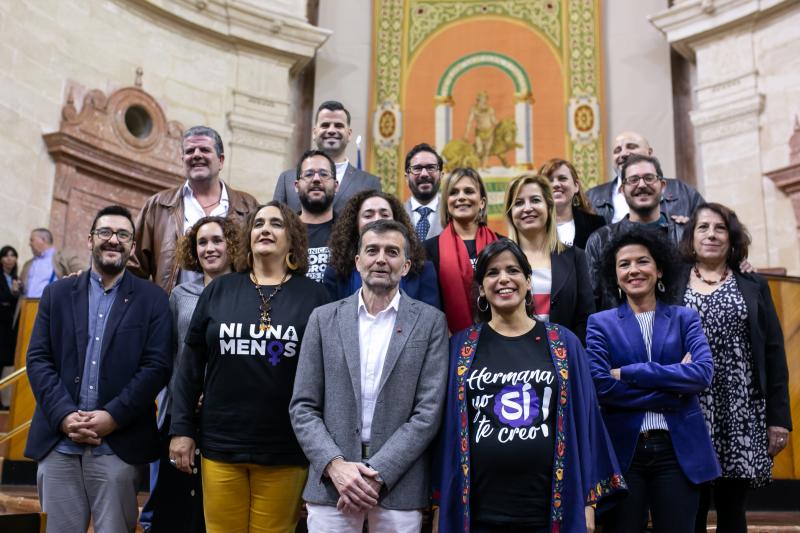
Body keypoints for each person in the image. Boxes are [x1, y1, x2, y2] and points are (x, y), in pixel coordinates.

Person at [433, 239, 625, 533]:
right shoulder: (460, 347)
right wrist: (439, 505)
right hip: (479, 513)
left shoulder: (563, 343)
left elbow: (587, 420)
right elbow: (446, 431)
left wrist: (588, 502)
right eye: (492, 273)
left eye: (513, 270)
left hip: (549, 512)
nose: (504, 279)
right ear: (482, 288)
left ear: (527, 281)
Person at [169, 202, 330, 533]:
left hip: (286, 449)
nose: (265, 229)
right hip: (220, 444)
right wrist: (182, 430)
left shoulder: (315, 297)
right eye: (258, 223)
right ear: (248, 236)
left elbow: (327, 378)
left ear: (293, 238)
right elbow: (190, 366)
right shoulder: (220, 290)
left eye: (276, 224)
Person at [290, 219, 448, 533]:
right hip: (332, 485)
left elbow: (427, 414)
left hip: (397, 486)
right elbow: (303, 408)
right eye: (372, 250)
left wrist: (375, 474)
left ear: (405, 266)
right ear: (357, 261)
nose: (380, 259)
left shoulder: (431, 323)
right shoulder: (323, 319)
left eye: (392, 252)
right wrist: (336, 467)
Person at [25, 205, 172, 533]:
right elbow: (38, 360)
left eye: (123, 235)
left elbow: (156, 367)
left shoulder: (153, 300)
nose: (113, 240)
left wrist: (112, 417)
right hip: (59, 445)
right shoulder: (57, 294)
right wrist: (64, 415)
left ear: (132, 248)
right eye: (105, 232)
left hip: (118, 447)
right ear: (90, 240)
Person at [586, 227, 720, 533]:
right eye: (624, 264)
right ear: (615, 274)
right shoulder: (600, 324)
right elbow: (602, 387)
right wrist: (674, 389)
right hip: (624, 455)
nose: (633, 270)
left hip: (677, 451)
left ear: (659, 270)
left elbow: (701, 374)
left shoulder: (685, 318)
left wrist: (631, 373)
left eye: (642, 261)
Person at [676, 203, 792, 533]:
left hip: (740, 409)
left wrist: (778, 420)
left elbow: (774, 353)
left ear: (732, 237)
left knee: (732, 507)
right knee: (691, 505)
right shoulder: (672, 283)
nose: (711, 234)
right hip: (689, 407)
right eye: (703, 227)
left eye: (720, 228)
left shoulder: (753, 284)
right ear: (691, 237)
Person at [144, 216, 240, 533]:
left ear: (233, 245)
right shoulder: (181, 294)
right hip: (183, 415)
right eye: (202, 242)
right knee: (175, 508)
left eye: (217, 240)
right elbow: (171, 356)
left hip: (227, 416)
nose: (209, 248)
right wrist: (183, 398)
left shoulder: (247, 291)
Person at [129, 125, 259, 293]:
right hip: (174, 311)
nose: (197, 155)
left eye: (204, 149)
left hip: (232, 310)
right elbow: (134, 267)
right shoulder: (158, 206)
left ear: (221, 160)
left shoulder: (248, 206)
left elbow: (261, 263)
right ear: (182, 160)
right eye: (190, 151)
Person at [585, 154, 685, 310]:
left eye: (649, 178)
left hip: (679, 330)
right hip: (619, 332)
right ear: (623, 190)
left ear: (663, 185)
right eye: (633, 180)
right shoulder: (601, 239)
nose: (642, 185)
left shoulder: (685, 234)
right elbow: (592, 300)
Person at [503, 173, 595, 342]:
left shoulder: (576, 257)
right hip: (513, 361)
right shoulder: (500, 260)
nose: (527, 208)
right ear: (510, 213)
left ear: (549, 207)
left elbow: (586, 318)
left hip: (564, 358)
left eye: (536, 200)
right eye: (518, 203)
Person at [324, 190, 439, 307]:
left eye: (385, 215)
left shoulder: (423, 269)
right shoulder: (336, 271)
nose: (378, 220)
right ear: (356, 223)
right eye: (368, 215)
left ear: (396, 221)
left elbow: (430, 320)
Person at [424, 167, 499, 333]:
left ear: (482, 202)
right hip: (449, 345)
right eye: (454, 192)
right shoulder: (427, 250)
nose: (461, 197)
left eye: (469, 191)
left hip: (500, 341)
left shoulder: (502, 244)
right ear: (447, 202)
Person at [273, 101, 381, 214]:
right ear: (314, 133)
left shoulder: (369, 183)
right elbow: (276, 222)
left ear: (349, 134)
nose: (331, 130)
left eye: (338, 126)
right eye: (325, 125)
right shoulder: (287, 179)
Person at [586, 130, 704, 224]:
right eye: (617, 150)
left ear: (650, 153)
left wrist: (689, 229)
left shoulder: (682, 192)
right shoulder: (592, 198)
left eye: (631, 146)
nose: (623, 154)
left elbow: (707, 227)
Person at [539, 158, 605, 248]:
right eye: (549, 180)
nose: (556, 185)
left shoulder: (596, 224)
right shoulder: (533, 226)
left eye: (562, 178)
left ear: (576, 186)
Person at [295, 149, 337, 283]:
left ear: (336, 186)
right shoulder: (283, 231)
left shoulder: (349, 232)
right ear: (296, 186)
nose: (317, 179)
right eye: (308, 174)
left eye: (324, 174)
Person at [19, 228, 83, 298]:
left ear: (43, 240)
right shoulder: (28, 264)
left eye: (32, 240)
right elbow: (21, 289)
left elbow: (85, 273)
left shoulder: (64, 258)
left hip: (52, 306)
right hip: (27, 307)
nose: (29, 244)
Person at [403, 143, 444, 241]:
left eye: (431, 167)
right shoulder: (394, 214)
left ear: (441, 175)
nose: (424, 174)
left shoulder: (453, 214)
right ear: (407, 178)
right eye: (417, 168)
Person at [0, 245, 20, 409]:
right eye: (6, 256)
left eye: (13, 256)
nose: (10, 259)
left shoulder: (15, 278)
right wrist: (12, 294)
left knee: (4, 365)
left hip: (9, 329)